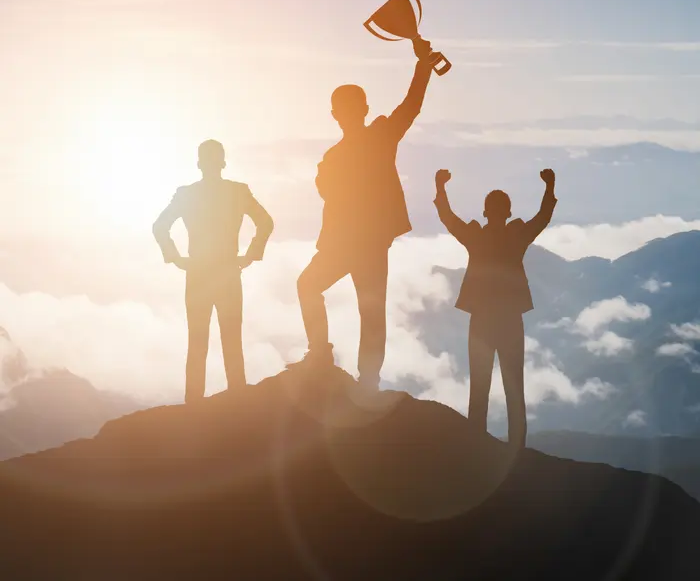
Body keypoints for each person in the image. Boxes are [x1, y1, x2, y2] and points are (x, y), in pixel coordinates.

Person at [296, 38, 442, 389]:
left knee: (312, 287)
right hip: (367, 243)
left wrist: (423, 68)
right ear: (364, 108)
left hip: (350, 243)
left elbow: (327, 193)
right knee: (369, 309)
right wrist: (422, 67)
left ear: (338, 114)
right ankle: (367, 379)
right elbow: (410, 107)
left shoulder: (334, 157)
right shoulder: (375, 139)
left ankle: (325, 355)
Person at [433, 168, 557, 449]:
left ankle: (476, 447)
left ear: (486, 212)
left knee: (479, 389)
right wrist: (549, 187)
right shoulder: (517, 236)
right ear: (508, 212)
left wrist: (440, 189)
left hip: (481, 321)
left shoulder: (476, 237)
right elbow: (543, 218)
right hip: (511, 319)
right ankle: (517, 451)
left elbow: (449, 219)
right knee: (515, 389)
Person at [153, 140, 274, 403]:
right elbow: (265, 223)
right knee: (232, 341)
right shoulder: (238, 192)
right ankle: (238, 401)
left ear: (199, 164)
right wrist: (252, 255)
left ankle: (193, 405)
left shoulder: (186, 195)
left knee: (197, 343)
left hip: (197, 275)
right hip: (229, 274)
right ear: (222, 163)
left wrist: (175, 258)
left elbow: (160, 226)